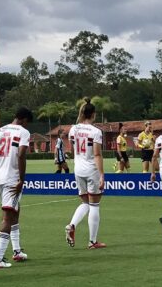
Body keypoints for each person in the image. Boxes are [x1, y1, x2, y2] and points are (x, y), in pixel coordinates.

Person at [0, 107, 34, 268]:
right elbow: (21, 155)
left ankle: (17, 251)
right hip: (11, 179)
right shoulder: (23, 132)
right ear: (24, 120)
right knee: (7, 217)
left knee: (15, 211)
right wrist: (21, 179)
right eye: (27, 122)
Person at [65, 98, 107, 249]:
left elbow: (71, 149)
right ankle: (92, 241)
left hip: (78, 169)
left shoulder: (73, 129)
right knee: (94, 205)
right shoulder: (96, 132)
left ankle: (72, 225)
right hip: (91, 170)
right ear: (93, 114)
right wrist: (102, 174)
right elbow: (97, 155)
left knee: (85, 203)